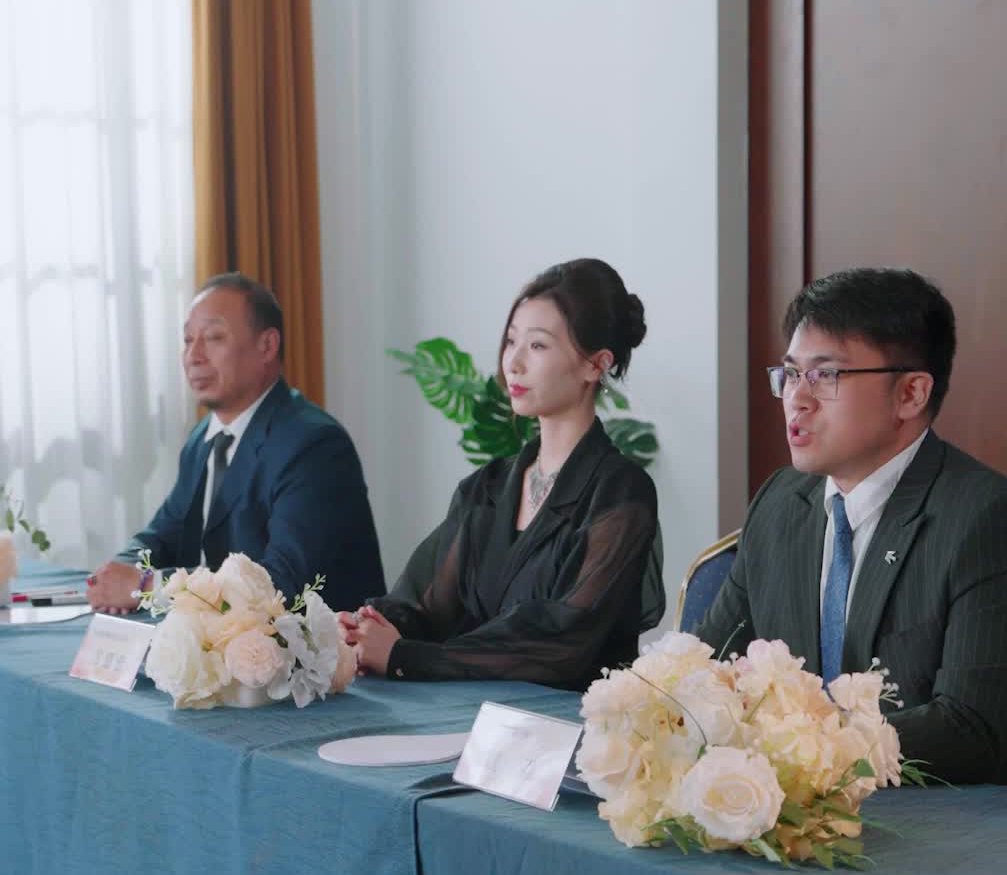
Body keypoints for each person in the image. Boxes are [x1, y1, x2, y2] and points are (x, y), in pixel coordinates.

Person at [698, 267, 1007, 797]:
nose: (796, 398)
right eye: (790, 374)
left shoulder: (989, 520)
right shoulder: (781, 502)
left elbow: (969, 729)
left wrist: (792, 747)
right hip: (806, 809)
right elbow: (708, 662)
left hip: (963, 822)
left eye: (825, 376)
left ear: (911, 394)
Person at [338, 258, 663, 688]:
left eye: (538, 345)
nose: (514, 362)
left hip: (565, 722)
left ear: (595, 364)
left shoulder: (621, 494)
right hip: (466, 714)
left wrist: (403, 656)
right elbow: (423, 605)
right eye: (511, 341)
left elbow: (561, 644)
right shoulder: (486, 489)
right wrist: (367, 628)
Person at [87, 273, 384, 613]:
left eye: (214, 337)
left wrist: (148, 587)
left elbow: (281, 584)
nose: (193, 356)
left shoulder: (314, 446)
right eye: (187, 340)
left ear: (266, 346)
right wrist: (120, 571)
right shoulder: (203, 438)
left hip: (311, 643)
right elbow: (162, 535)